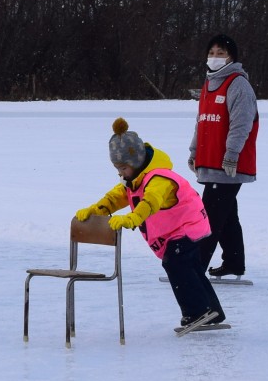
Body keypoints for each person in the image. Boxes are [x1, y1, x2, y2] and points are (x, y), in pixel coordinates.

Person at [76, 118, 225, 332]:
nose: (120, 173)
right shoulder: (134, 180)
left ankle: (197, 312)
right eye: (117, 169)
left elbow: (151, 202)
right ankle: (212, 311)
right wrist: (95, 210)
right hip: (182, 229)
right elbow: (115, 197)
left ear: (135, 162)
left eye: (123, 168)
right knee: (190, 268)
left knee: (176, 264)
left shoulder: (159, 179)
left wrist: (133, 218)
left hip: (186, 228)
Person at [189, 33, 259, 280]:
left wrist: (231, 155)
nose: (215, 58)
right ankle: (234, 263)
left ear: (231, 58)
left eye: (221, 53)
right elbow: (202, 122)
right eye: (212, 53)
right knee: (227, 216)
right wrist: (194, 151)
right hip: (210, 163)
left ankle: (193, 268)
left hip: (229, 166)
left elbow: (241, 124)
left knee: (210, 215)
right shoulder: (209, 84)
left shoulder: (238, 84)